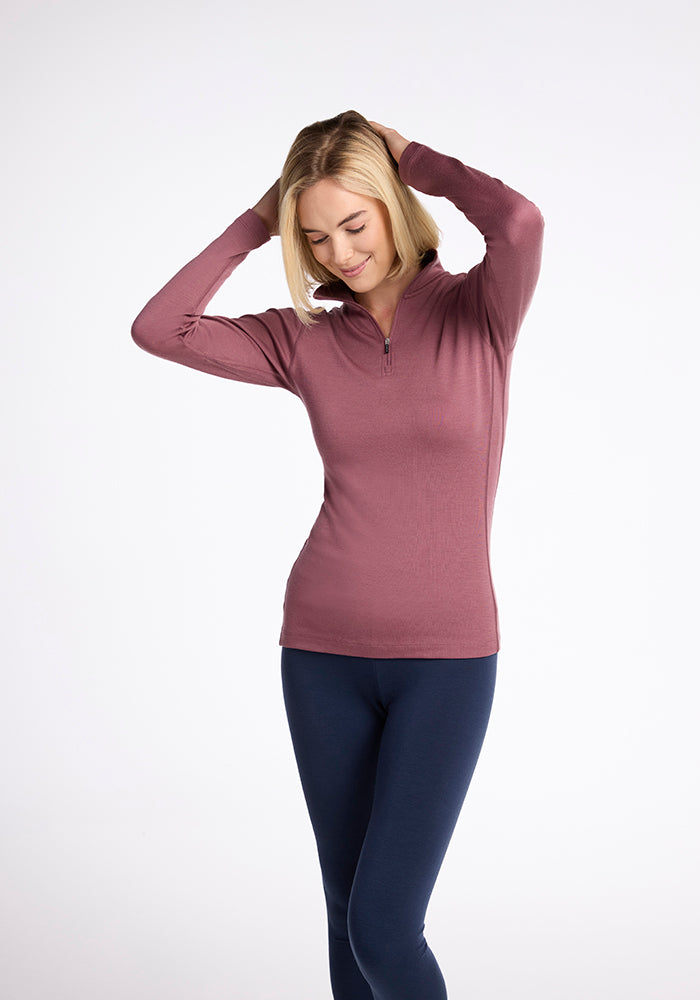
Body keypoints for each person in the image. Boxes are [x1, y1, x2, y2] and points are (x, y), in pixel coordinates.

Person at [131, 110, 544, 1000]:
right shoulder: (302, 339)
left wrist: (417, 156)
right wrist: (258, 218)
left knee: (386, 925)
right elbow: (159, 328)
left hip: (447, 658)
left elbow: (519, 222)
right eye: (313, 237)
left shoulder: (480, 311)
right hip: (320, 652)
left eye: (354, 224)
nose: (339, 252)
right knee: (345, 910)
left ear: (395, 204)